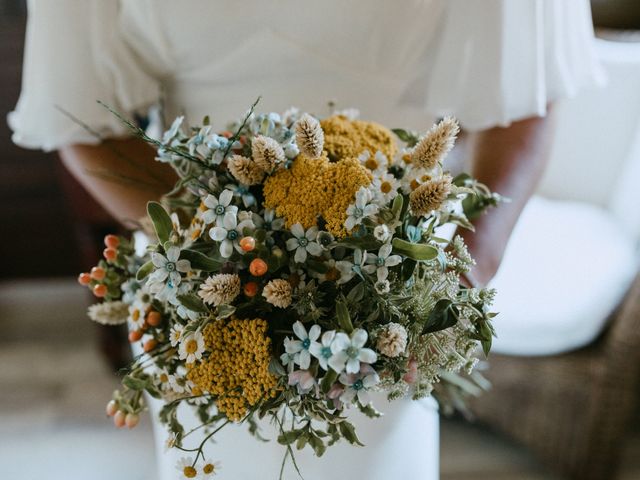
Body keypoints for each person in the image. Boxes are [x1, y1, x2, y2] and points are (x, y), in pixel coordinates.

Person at [8, 1, 603, 478]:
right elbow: (81, 119)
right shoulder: (205, 257)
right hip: (205, 274)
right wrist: (216, 244)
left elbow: (530, 87)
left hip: (387, 287)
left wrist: (457, 274)